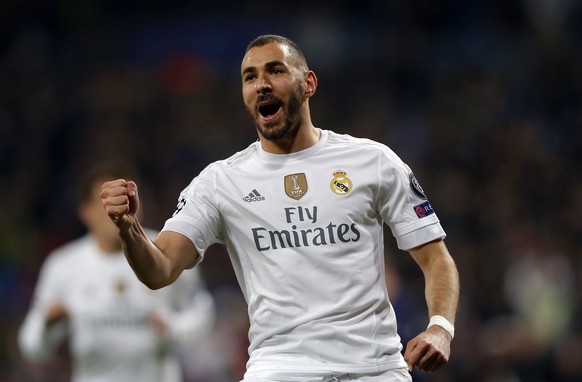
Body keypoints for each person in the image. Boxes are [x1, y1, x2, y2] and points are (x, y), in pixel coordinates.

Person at [101, 34, 460, 382]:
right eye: (250, 77)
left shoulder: (372, 161)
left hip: (375, 369)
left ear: (308, 83)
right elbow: (160, 269)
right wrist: (129, 228)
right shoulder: (219, 182)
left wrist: (440, 329)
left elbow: (436, 258)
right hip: (280, 368)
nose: (261, 84)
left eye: (275, 70)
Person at [19, 162, 215, 382]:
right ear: (86, 212)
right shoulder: (63, 265)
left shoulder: (166, 250)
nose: (118, 210)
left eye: (126, 200)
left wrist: (173, 329)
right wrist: (48, 324)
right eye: (108, 203)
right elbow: (33, 347)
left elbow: (201, 311)